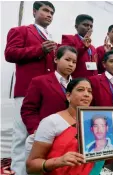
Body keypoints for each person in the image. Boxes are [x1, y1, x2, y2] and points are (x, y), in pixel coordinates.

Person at [26, 78, 113, 174]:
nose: (86, 94)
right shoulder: (52, 122)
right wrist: (59, 161)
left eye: (89, 91)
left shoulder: (95, 122)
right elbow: (31, 166)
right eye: (80, 90)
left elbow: (102, 160)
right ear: (68, 96)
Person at [4, 1, 56, 174]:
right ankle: (18, 171)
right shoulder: (20, 31)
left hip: (46, 94)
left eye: (52, 13)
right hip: (25, 92)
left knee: (41, 135)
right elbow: (10, 53)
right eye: (45, 11)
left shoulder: (50, 37)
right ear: (34, 12)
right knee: (21, 136)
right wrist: (39, 49)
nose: (49, 15)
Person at [21, 46, 77, 136]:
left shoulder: (78, 85)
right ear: (56, 59)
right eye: (67, 60)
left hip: (73, 135)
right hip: (48, 135)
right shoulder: (39, 82)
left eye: (74, 62)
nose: (71, 64)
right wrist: (36, 129)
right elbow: (28, 109)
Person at [61, 14, 98, 79]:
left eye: (91, 26)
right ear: (76, 26)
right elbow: (67, 58)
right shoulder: (69, 39)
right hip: (76, 81)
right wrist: (83, 46)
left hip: (92, 82)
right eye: (85, 25)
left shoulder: (93, 48)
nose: (89, 28)